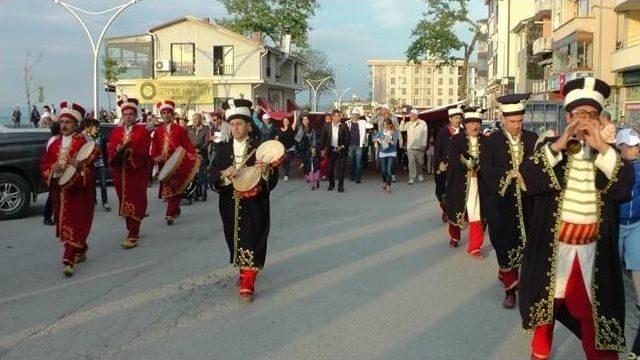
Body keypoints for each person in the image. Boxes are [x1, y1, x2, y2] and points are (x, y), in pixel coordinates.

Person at [519, 77, 632, 360]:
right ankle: (540, 353)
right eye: (578, 115)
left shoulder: (609, 155)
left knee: (595, 312)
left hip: (593, 251)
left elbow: (624, 187)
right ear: (567, 116)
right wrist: (558, 145)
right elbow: (529, 179)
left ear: (600, 120)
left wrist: (603, 148)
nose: (583, 122)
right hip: (554, 248)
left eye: (591, 116)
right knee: (547, 306)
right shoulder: (551, 150)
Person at [209, 99, 279, 302]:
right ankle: (244, 272)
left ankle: (248, 282)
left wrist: (265, 171)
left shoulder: (260, 149)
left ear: (249, 125)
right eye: (232, 124)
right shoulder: (222, 149)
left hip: (254, 203)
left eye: (239, 123)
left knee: (251, 237)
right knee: (234, 238)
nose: (235, 127)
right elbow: (212, 175)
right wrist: (223, 175)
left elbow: (271, 178)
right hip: (229, 202)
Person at [480, 93, 538, 309]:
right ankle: (510, 289)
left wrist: (526, 175)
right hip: (501, 203)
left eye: (520, 121)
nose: (516, 125)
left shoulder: (532, 139)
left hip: (527, 202)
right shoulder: (491, 142)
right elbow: (487, 169)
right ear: (503, 120)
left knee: (528, 244)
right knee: (504, 244)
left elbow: (539, 166)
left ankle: (519, 280)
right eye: (512, 121)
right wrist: (508, 175)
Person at [39, 102, 96, 277]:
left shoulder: (84, 143)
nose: (64, 125)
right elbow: (44, 164)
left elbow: (91, 165)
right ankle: (81, 248)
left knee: (76, 222)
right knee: (66, 223)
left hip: (78, 192)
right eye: (62, 122)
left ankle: (68, 259)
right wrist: (52, 169)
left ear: (76, 124)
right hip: (60, 193)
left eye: (68, 122)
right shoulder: (54, 143)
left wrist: (80, 166)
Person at [107, 98, 151, 249]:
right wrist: (117, 151)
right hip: (120, 173)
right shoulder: (115, 132)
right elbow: (111, 150)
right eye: (125, 114)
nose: (128, 117)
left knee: (136, 200)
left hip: (136, 172)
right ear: (122, 115)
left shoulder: (143, 132)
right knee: (124, 201)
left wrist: (133, 153)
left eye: (131, 114)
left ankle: (133, 233)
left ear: (135, 115)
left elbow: (145, 152)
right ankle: (132, 229)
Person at [445, 106, 486, 258]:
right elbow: (454, 160)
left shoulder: (485, 141)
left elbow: (489, 162)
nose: (475, 125)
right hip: (459, 181)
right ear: (465, 124)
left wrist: (481, 166)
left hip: (478, 183)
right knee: (455, 210)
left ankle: (475, 246)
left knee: (476, 213)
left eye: (477, 122)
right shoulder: (457, 140)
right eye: (471, 122)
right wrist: (468, 164)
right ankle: (455, 236)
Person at [150, 100, 199, 225]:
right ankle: (176, 209)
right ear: (161, 115)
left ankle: (169, 214)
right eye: (164, 113)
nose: (166, 115)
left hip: (177, 162)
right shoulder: (158, 131)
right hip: (164, 164)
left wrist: (194, 156)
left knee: (176, 187)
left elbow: (187, 145)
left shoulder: (180, 130)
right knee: (170, 188)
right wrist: (155, 157)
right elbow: (154, 147)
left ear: (172, 114)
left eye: (168, 112)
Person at [615, 129, 640, 359]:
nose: (635, 149)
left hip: (635, 225)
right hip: (615, 226)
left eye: (636, 146)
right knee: (611, 271)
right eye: (630, 146)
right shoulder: (612, 167)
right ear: (620, 147)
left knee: (637, 265)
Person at [435, 105, 464, 223]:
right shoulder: (443, 132)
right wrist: (439, 163)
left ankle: (454, 213)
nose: (458, 120)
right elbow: (438, 150)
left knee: (456, 193)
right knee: (440, 192)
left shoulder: (464, 132)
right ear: (450, 119)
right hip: (444, 166)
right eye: (456, 117)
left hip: (459, 168)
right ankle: (446, 210)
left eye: (459, 117)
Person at [83, 119, 111, 212]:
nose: (98, 129)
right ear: (91, 127)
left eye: (98, 127)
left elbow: (105, 151)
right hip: (91, 164)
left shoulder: (101, 137)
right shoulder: (86, 137)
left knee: (103, 184)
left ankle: (105, 203)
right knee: (92, 185)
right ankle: (93, 202)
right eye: (96, 127)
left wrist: (107, 163)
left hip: (101, 163)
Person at [321, 109, 350, 192]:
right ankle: (331, 183)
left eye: (339, 116)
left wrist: (342, 146)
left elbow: (348, 138)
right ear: (332, 117)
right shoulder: (327, 126)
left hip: (341, 150)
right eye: (336, 116)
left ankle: (340, 186)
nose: (338, 118)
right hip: (331, 150)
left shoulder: (344, 126)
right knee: (330, 169)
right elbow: (323, 138)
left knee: (341, 168)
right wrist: (322, 149)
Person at [399, 108, 428, 184]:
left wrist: (424, 145)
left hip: (420, 146)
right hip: (410, 147)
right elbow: (401, 129)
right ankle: (411, 178)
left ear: (416, 115)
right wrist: (403, 119)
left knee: (420, 162)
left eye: (412, 115)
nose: (411, 117)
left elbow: (425, 134)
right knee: (411, 163)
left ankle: (420, 174)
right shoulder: (408, 123)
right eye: (410, 115)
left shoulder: (422, 123)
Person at [187, 112, 211, 200]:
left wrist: (200, 149)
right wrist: (192, 150)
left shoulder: (206, 128)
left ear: (200, 119)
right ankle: (194, 190)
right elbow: (186, 140)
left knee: (202, 173)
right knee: (192, 173)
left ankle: (202, 189)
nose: (195, 121)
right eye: (193, 119)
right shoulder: (188, 128)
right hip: (191, 153)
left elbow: (207, 141)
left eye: (197, 119)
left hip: (202, 153)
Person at [346, 108, 374, 183]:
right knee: (351, 162)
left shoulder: (362, 122)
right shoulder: (347, 123)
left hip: (359, 145)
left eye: (356, 115)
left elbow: (371, 126)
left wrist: (367, 118)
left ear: (358, 116)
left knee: (358, 163)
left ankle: (358, 178)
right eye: (353, 114)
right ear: (351, 115)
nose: (355, 116)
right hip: (350, 145)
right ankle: (352, 176)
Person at [43, 119, 60, 226]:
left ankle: (54, 216)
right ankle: (47, 216)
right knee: (52, 196)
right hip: (54, 171)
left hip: (56, 171)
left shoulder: (54, 139)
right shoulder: (54, 141)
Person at [374, 118, 399, 194]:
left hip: (391, 153)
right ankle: (385, 182)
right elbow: (374, 137)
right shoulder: (381, 132)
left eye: (387, 125)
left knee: (389, 170)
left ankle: (388, 186)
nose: (385, 127)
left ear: (390, 125)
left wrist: (389, 139)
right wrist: (376, 141)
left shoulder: (394, 132)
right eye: (384, 125)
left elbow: (395, 144)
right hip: (383, 153)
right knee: (383, 171)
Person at [295, 113, 320, 189]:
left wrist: (313, 147)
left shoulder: (312, 129)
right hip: (303, 149)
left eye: (306, 119)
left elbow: (314, 139)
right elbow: (297, 140)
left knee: (312, 162)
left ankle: (311, 176)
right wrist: (297, 150)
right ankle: (306, 174)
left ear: (308, 120)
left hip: (311, 148)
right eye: (304, 120)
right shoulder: (300, 129)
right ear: (302, 121)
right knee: (305, 163)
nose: (305, 121)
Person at [276, 117, 296, 182]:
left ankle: (286, 175)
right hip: (282, 149)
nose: (286, 122)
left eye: (287, 121)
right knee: (283, 161)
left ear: (289, 122)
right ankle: (285, 170)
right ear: (283, 122)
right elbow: (276, 138)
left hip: (290, 148)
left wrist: (295, 114)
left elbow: (295, 122)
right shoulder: (279, 129)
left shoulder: (291, 128)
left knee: (287, 159)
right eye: (285, 121)